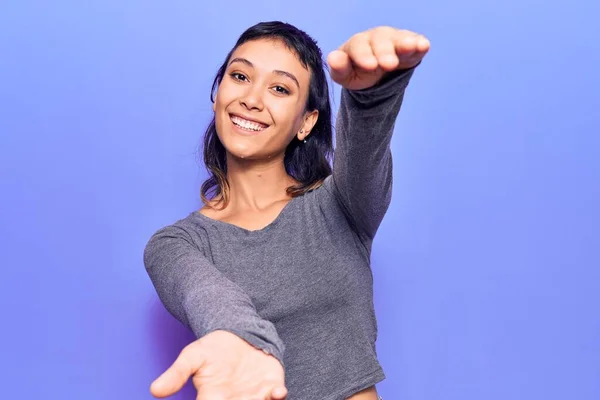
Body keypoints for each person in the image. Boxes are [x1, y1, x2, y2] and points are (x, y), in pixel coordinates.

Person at [144, 20, 430, 400]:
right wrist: (241, 339)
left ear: (306, 121)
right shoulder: (175, 244)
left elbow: (364, 151)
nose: (252, 99)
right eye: (240, 76)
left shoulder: (340, 205)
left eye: (279, 88)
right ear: (217, 95)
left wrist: (371, 97)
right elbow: (207, 295)